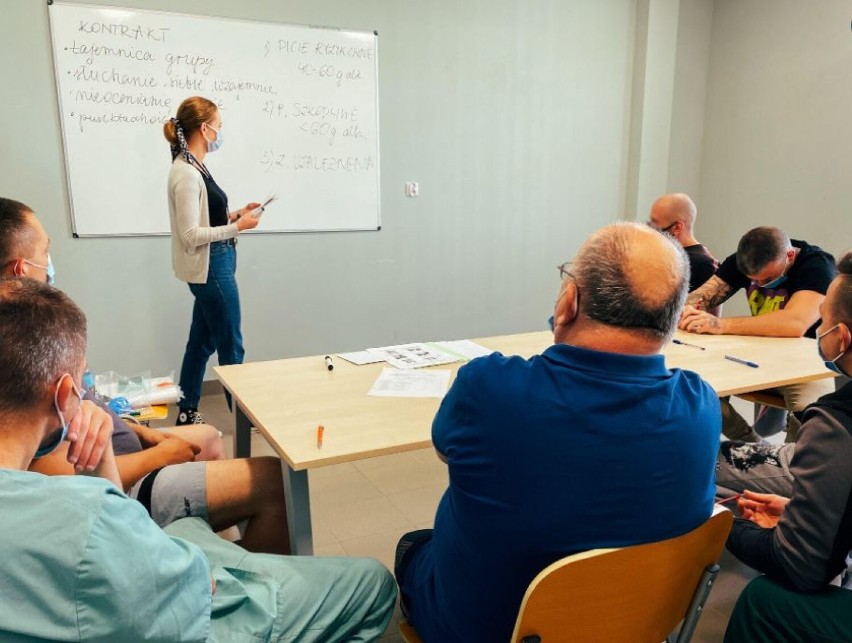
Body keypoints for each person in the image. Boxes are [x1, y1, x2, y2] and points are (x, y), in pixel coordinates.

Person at [0, 278, 396, 642]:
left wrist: (105, 450)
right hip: (186, 616)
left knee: (190, 525)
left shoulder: (64, 508)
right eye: (84, 381)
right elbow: (196, 583)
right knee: (375, 583)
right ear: (66, 393)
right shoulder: (86, 519)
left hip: (125, 577)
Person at [395, 222, 720, 642]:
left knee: (413, 545)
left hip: (487, 630)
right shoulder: (702, 405)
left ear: (568, 301)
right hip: (634, 624)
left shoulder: (488, 387)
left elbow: (447, 448)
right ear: (673, 319)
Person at [0, 197, 289, 553]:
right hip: (120, 479)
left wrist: (141, 433)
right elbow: (58, 475)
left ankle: (209, 544)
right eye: (45, 254)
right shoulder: (29, 351)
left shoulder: (39, 326)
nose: (49, 264)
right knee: (274, 480)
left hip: (121, 448)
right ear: (19, 269)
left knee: (209, 437)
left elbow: (88, 410)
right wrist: (161, 455)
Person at [722, 250, 852, 643]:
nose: (820, 331)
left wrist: (718, 521)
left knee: (764, 599)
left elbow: (801, 568)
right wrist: (811, 518)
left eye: (824, 321)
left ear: (841, 337)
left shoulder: (837, 425)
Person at [679, 226, 836, 442]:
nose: (760, 285)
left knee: (809, 414)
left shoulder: (816, 266)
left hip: (806, 363)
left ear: (789, 256)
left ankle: (790, 463)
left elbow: (794, 323)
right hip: (756, 357)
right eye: (754, 280)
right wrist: (686, 310)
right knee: (696, 387)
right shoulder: (746, 259)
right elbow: (701, 297)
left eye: (768, 278)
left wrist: (718, 324)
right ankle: (751, 444)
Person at [164, 96, 262, 426]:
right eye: (219, 126)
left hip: (216, 262)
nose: (221, 133)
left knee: (201, 341)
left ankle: (187, 410)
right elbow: (191, 234)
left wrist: (236, 215)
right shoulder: (187, 174)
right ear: (204, 129)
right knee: (231, 345)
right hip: (211, 268)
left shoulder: (195, 166)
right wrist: (238, 227)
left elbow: (208, 217)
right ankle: (244, 422)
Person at [647, 192, 719, 293]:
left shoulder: (704, 265)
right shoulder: (664, 254)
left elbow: (709, 307)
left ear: (677, 227)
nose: (650, 231)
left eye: (654, 226)